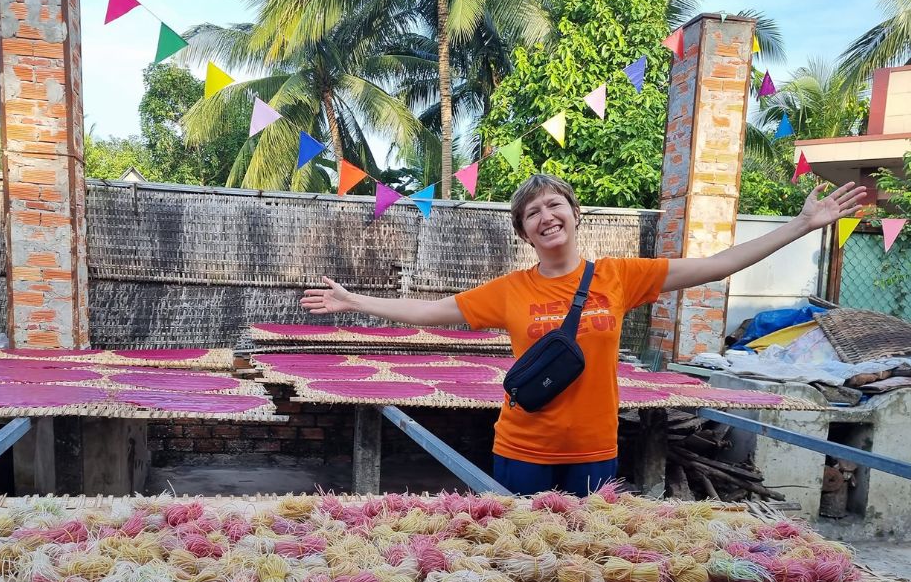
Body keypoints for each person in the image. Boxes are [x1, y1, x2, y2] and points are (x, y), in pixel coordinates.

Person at [301, 174, 866, 496]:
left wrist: (800, 226)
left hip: (595, 449)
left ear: (575, 214)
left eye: (554, 205)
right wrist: (355, 301)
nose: (545, 217)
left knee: (583, 559)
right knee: (521, 558)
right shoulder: (510, 290)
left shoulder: (620, 277)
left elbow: (715, 266)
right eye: (531, 213)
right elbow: (431, 311)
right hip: (521, 446)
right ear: (524, 232)